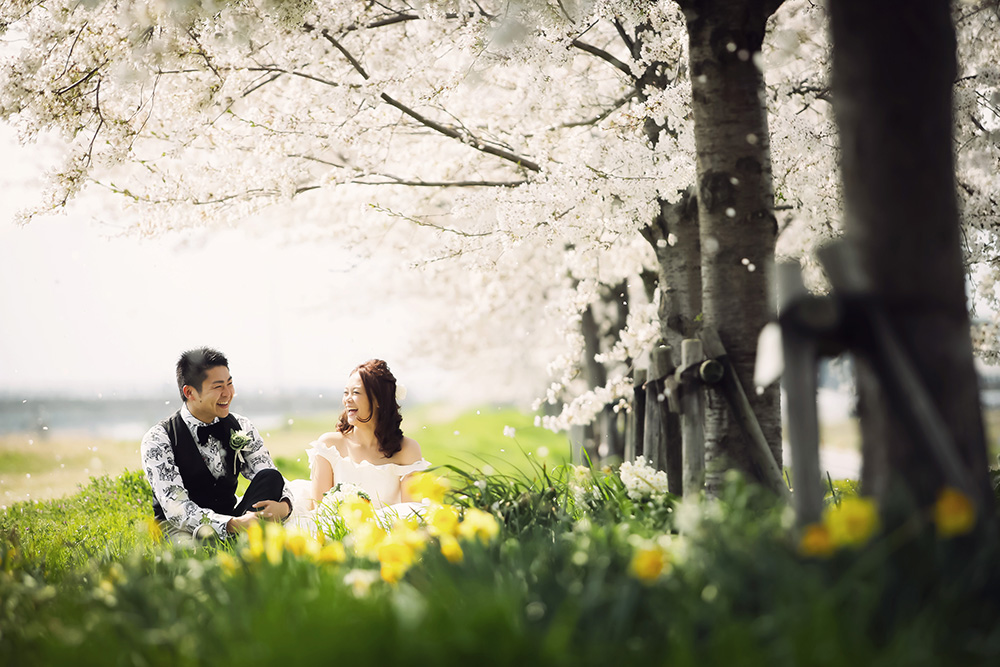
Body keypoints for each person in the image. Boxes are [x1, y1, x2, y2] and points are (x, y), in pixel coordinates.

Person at [141, 347, 293, 542]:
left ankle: (239, 545)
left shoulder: (241, 426)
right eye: (218, 387)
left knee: (270, 477)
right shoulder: (159, 439)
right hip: (182, 532)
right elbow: (176, 509)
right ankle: (240, 546)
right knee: (190, 547)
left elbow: (269, 471)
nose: (228, 393)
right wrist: (234, 524)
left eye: (230, 383)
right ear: (190, 392)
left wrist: (284, 507)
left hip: (232, 519)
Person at [288, 359, 429, 525]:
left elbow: (411, 513)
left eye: (355, 392)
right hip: (337, 530)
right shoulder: (329, 445)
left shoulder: (407, 449)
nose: (347, 400)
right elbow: (320, 510)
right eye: (345, 393)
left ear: (378, 400)